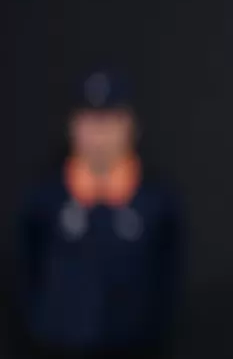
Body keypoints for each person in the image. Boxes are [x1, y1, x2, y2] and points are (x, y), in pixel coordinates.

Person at [16, 69, 184, 359]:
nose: (99, 136)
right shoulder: (43, 200)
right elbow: (24, 276)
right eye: (90, 121)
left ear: (131, 126)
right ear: (72, 126)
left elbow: (170, 287)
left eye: (110, 121)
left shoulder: (159, 203)